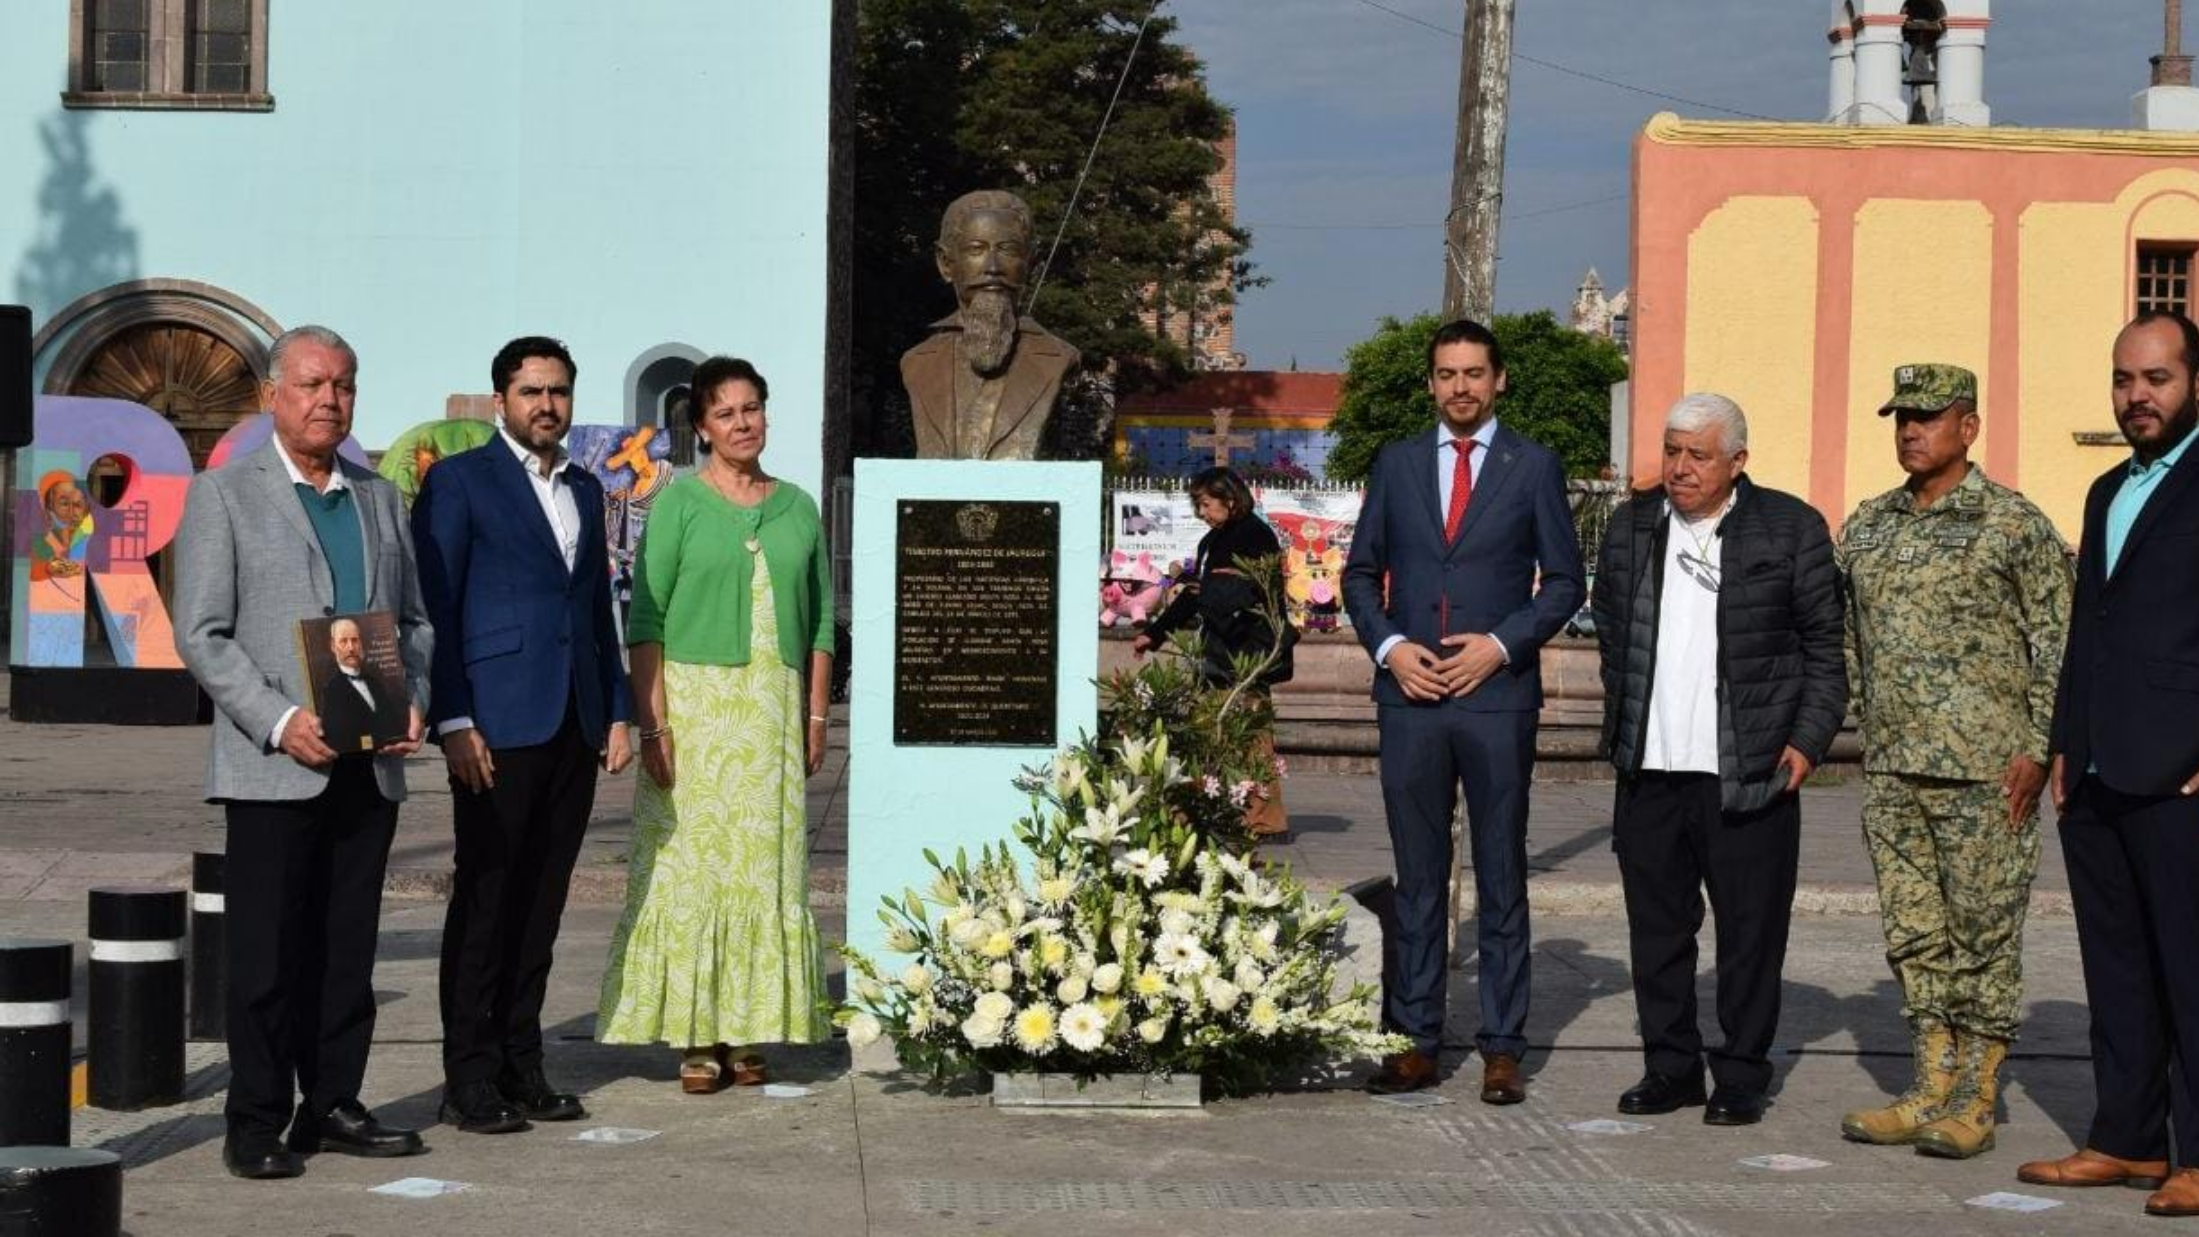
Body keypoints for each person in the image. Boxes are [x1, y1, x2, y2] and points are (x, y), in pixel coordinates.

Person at [172, 325, 432, 1179]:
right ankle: (253, 1118)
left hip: (370, 759)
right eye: (314, 384)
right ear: (272, 396)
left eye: (345, 385)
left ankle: (331, 1104)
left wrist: (414, 698)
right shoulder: (225, 496)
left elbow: (417, 622)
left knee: (347, 950)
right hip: (277, 762)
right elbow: (202, 634)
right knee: (264, 955)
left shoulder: (379, 498)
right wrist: (281, 720)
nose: (331, 400)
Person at [1341, 318, 1586, 1102]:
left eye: (1473, 373)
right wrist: (1389, 649)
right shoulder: (1397, 462)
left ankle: (1502, 1045)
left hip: (1495, 698)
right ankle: (1413, 1040)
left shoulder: (1533, 465)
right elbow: (1357, 574)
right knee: (1417, 876)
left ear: (1498, 380)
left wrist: (1501, 645)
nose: (1459, 387)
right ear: (1429, 384)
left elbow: (1562, 582)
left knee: (1501, 871)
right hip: (1410, 697)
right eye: (1446, 374)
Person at [1834, 364, 2071, 1159]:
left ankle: (1977, 1093)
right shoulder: (1868, 526)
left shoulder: (2012, 525)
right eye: (1901, 416)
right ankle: (1929, 1082)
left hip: (1985, 774)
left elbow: (2057, 641)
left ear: (1967, 427)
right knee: (1913, 932)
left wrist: (2037, 747)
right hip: (1896, 770)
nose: (1910, 429)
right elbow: (1848, 638)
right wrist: (1868, 726)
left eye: (1928, 417)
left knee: (1983, 937)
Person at [1591, 393, 1845, 1127]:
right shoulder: (1631, 525)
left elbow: (1824, 650)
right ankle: (1669, 1067)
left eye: (1696, 454)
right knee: (1658, 931)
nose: (1678, 467)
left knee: (1749, 932)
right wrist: (1626, 723)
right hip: (1651, 769)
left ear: (1736, 462)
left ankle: (1740, 1071)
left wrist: (1804, 745)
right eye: (1671, 450)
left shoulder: (1788, 528)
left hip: (1750, 770)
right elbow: (1611, 631)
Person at [411, 337, 633, 1135]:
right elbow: (436, 609)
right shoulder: (459, 482)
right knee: (487, 900)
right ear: (501, 398)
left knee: (542, 903)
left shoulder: (583, 483)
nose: (548, 405)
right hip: (495, 724)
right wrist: (455, 718)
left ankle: (521, 1061)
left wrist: (616, 707)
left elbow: (595, 608)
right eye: (532, 390)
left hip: (572, 718)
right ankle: (467, 1076)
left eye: (560, 391)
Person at [597, 356, 834, 1092]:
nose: (742, 423)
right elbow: (646, 615)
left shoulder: (798, 506)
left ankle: (748, 1026)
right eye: (726, 412)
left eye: (752, 408)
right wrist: (653, 724)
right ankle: (697, 1033)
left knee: (763, 870)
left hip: (772, 711)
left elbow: (822, 619)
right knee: (693, 871)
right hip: (695, 712)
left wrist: (817, 713)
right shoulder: (678, 505)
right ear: (700, 426)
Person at [2018, 311, 2199, 1218]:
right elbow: (2087, 625)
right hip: (2095, 770)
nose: (2137, 396)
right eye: (2124, 379)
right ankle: (2126, 1139)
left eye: (2156, 379)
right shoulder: (2104, 490)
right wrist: (2064, 739)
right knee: (2117, 965)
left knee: (2191, 966)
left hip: (2181, 773)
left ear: (2191, 382)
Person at [1132, 466, 1293, 839]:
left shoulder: (1255, 536)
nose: (1201, 512)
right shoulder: (1213, 541)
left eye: (1205, 503)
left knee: (1249, 738)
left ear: (1230, 499)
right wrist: (1154, 634)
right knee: (1208, 734)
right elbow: (1196, 594)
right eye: (1198, 505)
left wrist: (1199, 593)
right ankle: (1203, 812)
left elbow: (1239, 592)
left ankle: (1262, 820)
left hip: (1246, 656)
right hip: (1217, 654)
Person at [901, 189, 1079, 460]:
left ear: (1031, 264)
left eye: (1008, 250)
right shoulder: (916, 363)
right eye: (976, 249)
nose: (993, 267)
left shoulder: (1060, 358)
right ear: (946, 263)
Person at [316, 616, 408, 754]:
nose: (351, 648)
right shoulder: (330, 689)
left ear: (361, 643)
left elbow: (392, 724)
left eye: (354, 640)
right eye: (343, 641)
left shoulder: (375, 684)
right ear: (333, 646)